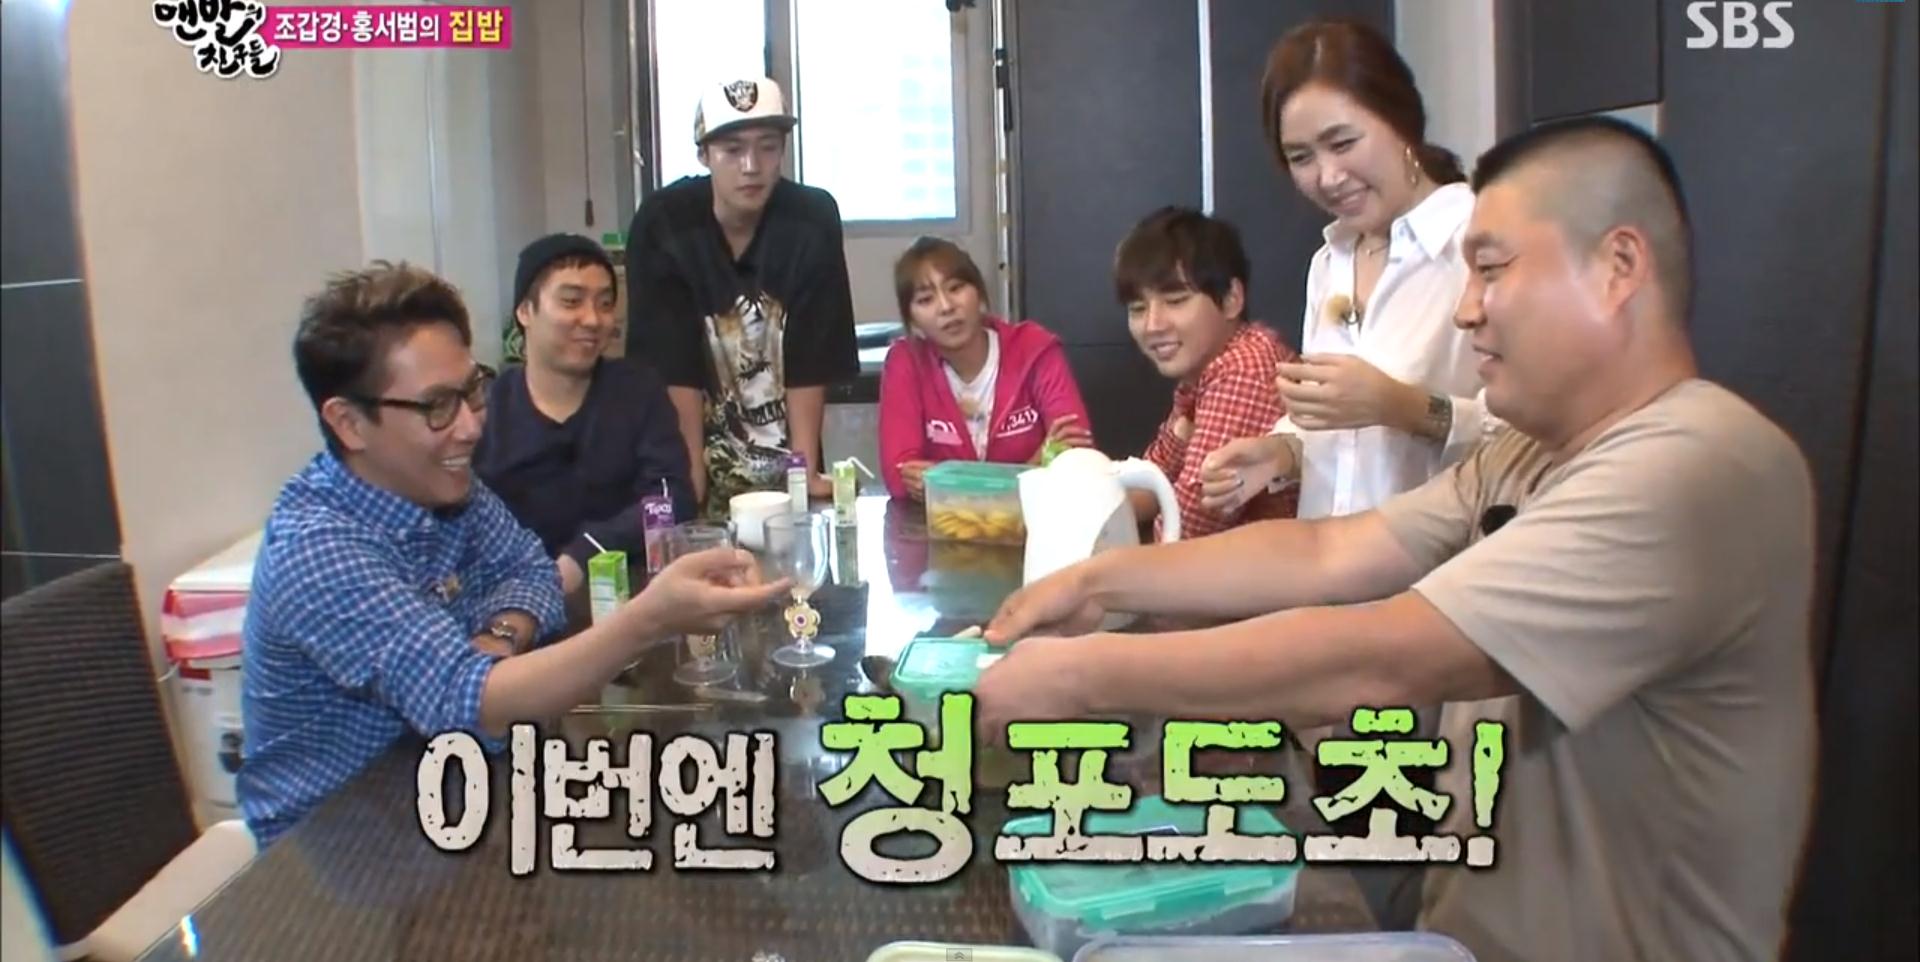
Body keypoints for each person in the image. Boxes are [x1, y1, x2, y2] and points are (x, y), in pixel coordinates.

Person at [976, 118, 1817, 962]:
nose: (1466, 308)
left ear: (1618, 267)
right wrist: (1099, 583)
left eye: (1492, 269)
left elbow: (1383, 658)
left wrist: (1083, 676)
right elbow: (1330, 553)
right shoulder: (1529, 453)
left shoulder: (1697, 465)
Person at [239, 262, 787, 847]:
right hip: (343, 850)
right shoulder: (318, 548)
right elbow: (471, 702)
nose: (470, 427)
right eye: (436, 406)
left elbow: (531, 570)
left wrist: (499, 636)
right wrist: (649, 618)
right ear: (349, 423)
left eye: (471, 391)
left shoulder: (445, 484)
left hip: (459, 795)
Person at [1198, 18, 1493, 523]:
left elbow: (1534, 435)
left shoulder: (1477, 240)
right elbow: (1334, 427)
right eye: (1301, 157)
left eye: (1343, 143)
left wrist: (1402, 406)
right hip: (1326, 555)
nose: (1328, 178)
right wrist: (1282, 452)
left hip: (1442, 558)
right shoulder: (1330, 261)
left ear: (1401, 121)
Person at [625, 76, 858, 518]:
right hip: (701, 447)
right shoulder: (665, 223)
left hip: (782, 457)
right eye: (732, 151)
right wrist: (688, 478)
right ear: (704, 154)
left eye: (767, 147)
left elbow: (811, 354)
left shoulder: (811, 219)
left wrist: (805, 470)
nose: (751, 166)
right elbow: (670, 361)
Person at [474, 233, 696, 609]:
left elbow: (673, 498)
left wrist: (588, 550)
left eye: (605, 304)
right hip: (516, 607)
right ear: (525, 311)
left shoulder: (637, 391)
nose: (593, 320)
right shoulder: (487, 411)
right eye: (571, 301)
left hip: (634, 605)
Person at [1118, 207, 1300, 539]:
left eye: (1176, 300)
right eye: (1138, 308)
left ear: (1231, 299)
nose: (1152, 325)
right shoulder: (1201, 373)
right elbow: (1152, 476)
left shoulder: (1243, 369)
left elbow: (1188, 528)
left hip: (1276, 568)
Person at [878, 237, 1094, 500]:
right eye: (925, 300)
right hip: (943, 521)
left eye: (956, 288)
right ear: (912, 319)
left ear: (979, 293)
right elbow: (900, 477)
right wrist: (1034, 466)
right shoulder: (906, 361)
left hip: (1036, 514)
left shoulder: (1034, 348)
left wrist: (947, 483)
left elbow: (1075, 451)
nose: (946, 307)